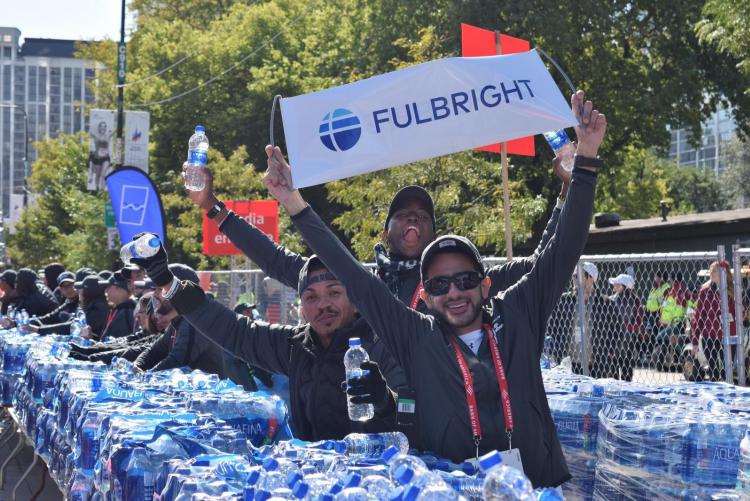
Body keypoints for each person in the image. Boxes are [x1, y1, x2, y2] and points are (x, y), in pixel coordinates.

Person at [262, 91, 606, 486]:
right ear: (424, 297)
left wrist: (587, 159)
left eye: (465, 279)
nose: (455, 292)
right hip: (453, 490)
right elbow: (349, 273)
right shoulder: (417, 337)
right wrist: (292, 202)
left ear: (486, 283)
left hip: (535, 487)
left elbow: (564, 249)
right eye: (440, 284)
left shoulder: (519, 314)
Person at [134, 246, 404, 441]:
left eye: (334, 293)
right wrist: (169, 284)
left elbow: (419, 415)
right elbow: (234, 331)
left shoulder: (385, 344)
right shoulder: (296, 345)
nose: (323, 305)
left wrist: (386, 402)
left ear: (355, 301)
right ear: (302, 308)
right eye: (311, 297)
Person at [132, 264, 254, 390]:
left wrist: (144, 378)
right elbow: (155, 351)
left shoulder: (195, 322)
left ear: (179, 291)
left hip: (224, 401)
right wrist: (138, 366)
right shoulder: (179, 320)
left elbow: (178, 361)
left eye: (160, 289)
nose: (155, 294)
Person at [551, 263, 625, 379]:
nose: (574, 279)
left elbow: (619, 332)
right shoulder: (564, 301)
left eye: (578, 276)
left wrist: (610, 355)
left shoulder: (605, 304)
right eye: (573, 276)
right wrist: (556, 351)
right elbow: (552, 327)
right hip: (569, 364)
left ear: (591, 278)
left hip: (597, 365)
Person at [691, 261, 740, 381]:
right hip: (710, 335)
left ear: (724, 273)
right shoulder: (705, 292)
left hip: (729, 335)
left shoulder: (734, 290)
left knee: (726, 372)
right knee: (714, 373)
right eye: (711, 271)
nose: (711, 273)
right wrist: (695, 340)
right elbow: (699, 317)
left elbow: (739, 312)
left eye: (715, 271)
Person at [608, 273, 643, 381]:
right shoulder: (612, 300)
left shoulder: (636, 302)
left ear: (623, 287)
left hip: (628, 342)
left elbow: (639, 324)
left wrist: (625, 328)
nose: (613, 286)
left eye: (616, 284)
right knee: (612, 372)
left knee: (626, 371)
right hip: (612, 340)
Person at [98, 271, 137, 339]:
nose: (105, 290)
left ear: (120, 289)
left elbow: (120, 342)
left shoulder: (127, 311)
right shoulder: (120, 308)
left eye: (109, 287)